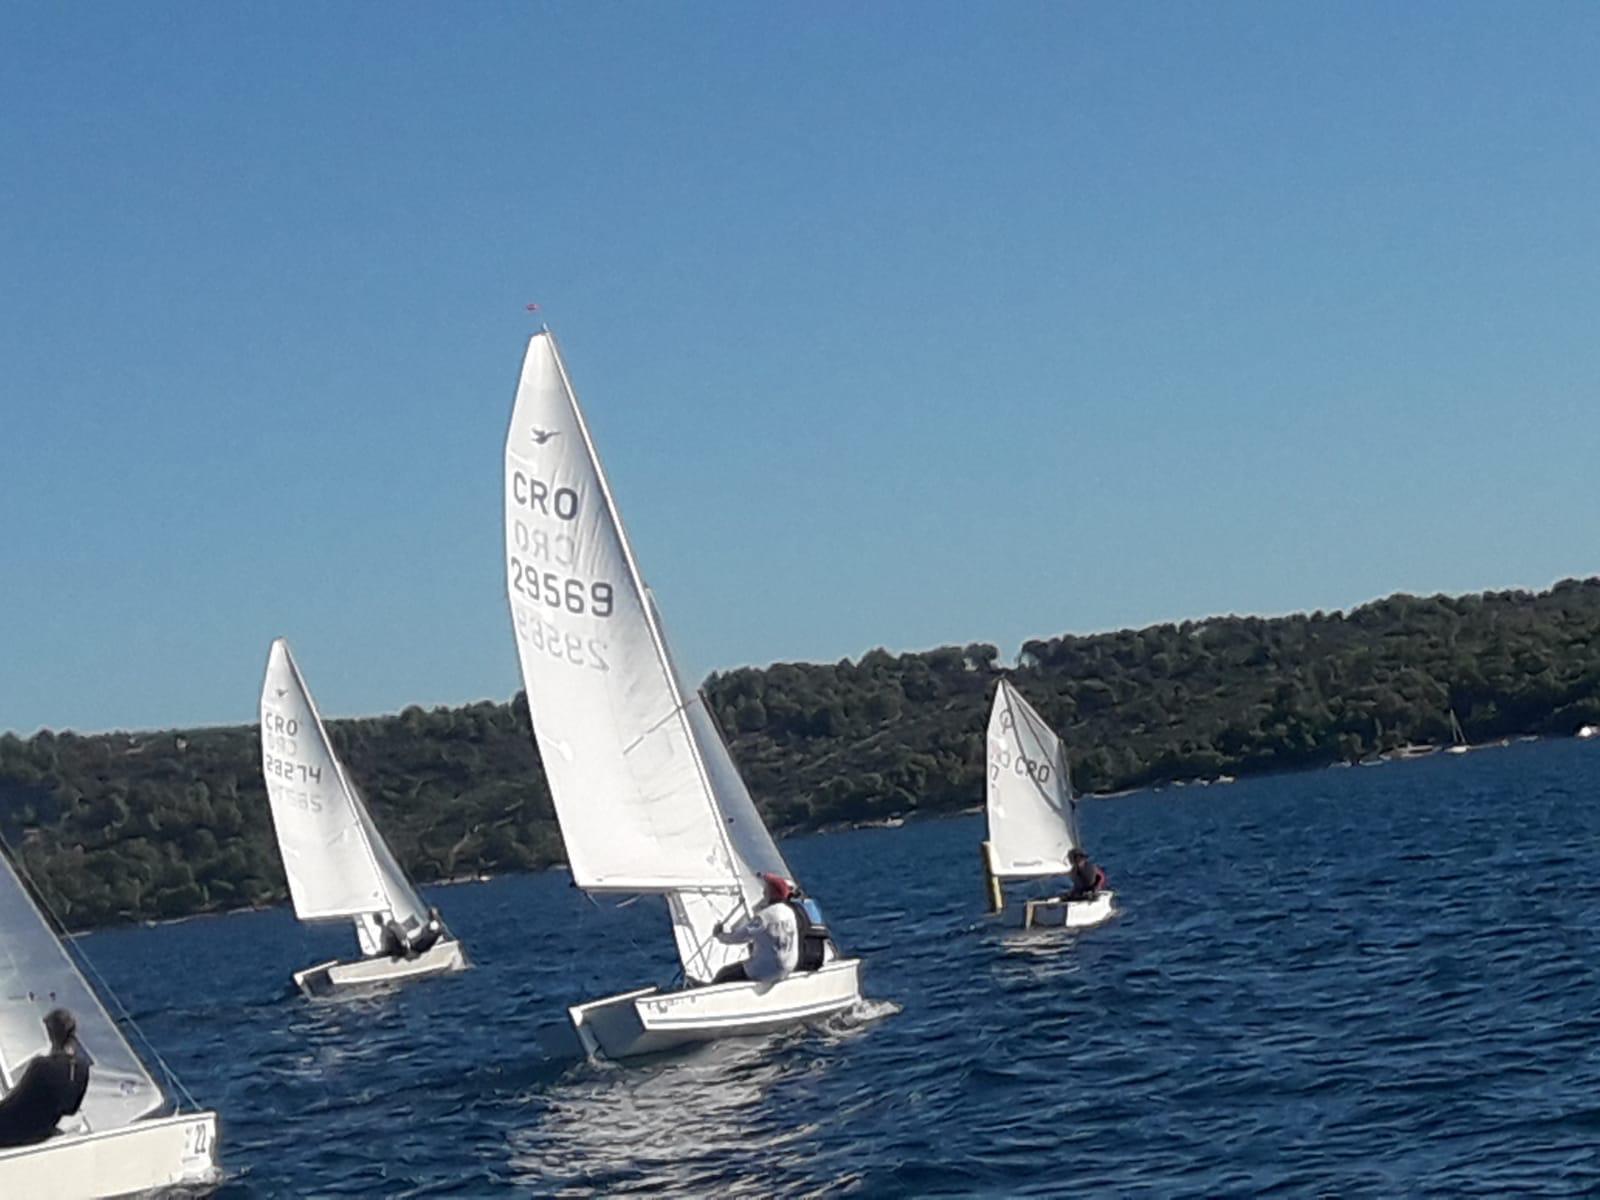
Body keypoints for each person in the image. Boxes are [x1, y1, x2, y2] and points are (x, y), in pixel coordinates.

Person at [0, 1008, 91, 1147]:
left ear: (50, 1034)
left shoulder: (41, 1065)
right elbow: (71, 1109)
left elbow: (16, 1100)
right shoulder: (82, 1068)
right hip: (43, 1130)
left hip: (12, 1131)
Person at [708, 873, 800, 985]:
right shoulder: (789, 912)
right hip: (788, 967)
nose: (763, 892)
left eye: (766, 889)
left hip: (767, 971)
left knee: (724, 974)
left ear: (771, 893)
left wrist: (720, 935)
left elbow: (738, 938)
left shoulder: (764, 917)